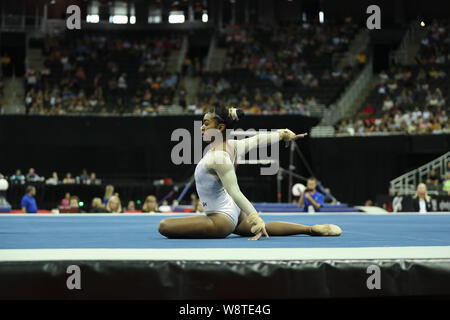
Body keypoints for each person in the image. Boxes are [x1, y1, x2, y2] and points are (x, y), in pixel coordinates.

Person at [158, 105, 342, 240]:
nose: (202, 128)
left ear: (220, 127)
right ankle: (310, 229)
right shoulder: (232, 147)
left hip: (220, 220)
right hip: (232, 212)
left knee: (164, 226)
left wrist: (255, 217)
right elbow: (257, 140)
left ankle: (264, 223)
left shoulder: (219, 157)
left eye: (206, 124)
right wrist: (281, 133)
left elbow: (235, 191)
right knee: (265, 227)